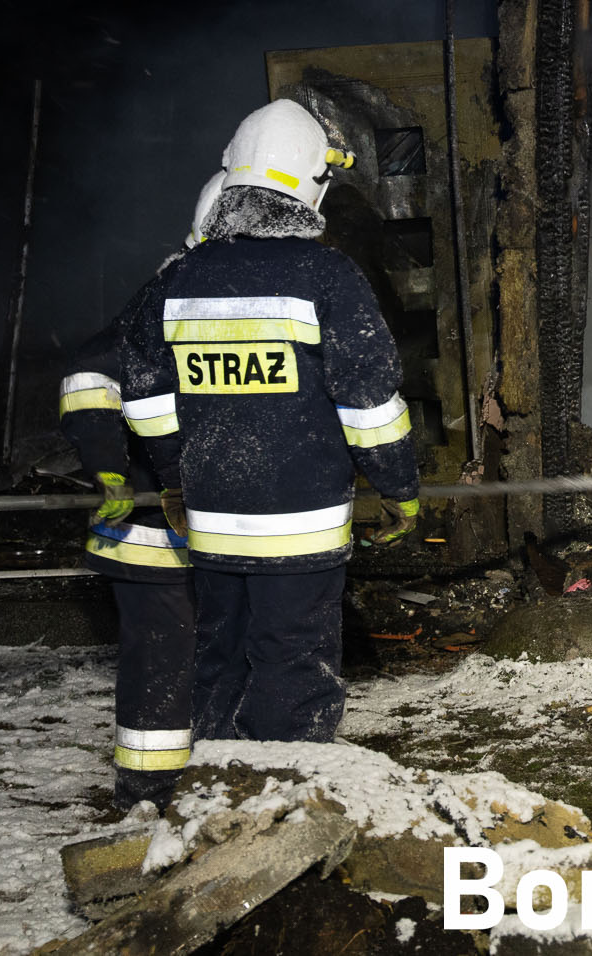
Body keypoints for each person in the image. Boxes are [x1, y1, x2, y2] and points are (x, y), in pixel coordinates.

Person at [134, 98, 422, 743]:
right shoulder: (326, 276)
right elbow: (370, 402)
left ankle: (211, 783)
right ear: (314, 184)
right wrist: (400, 489)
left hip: (211, 513)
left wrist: (174, 482)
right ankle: (288, 794)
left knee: (219, 652)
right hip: (302, 517)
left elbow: (148, 403)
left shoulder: (175, 279)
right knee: (293, 658)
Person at [52, 171, 222, 809]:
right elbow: (90, 376)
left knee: (212, 654)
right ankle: (149, 787)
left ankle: (212, 773)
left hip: (218, 526)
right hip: (149, 533)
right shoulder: (168, 296)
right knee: (161, 657)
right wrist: (108, 464)